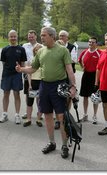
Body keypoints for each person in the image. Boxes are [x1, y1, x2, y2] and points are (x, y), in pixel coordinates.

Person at [15, 27, 77, 159]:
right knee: (48, 116)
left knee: (61, 118)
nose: (41, 37)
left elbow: (69, 69)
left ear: (52, 36)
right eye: (41, 35)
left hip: (58, 86)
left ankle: (65, 145)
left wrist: (73, 86)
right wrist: (21, 69)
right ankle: (52, 142)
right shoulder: (41, 51)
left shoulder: (62, 50)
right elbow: (33, 68)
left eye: (44, 35)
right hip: (44, 86)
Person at [0, 30, 27, 124]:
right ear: (8, 37)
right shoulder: (4, 49)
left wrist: (21, 71)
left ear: (17, 37)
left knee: (17, 94)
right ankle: (4, 114)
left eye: (14, 36)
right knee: (5, 94)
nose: (13, 38)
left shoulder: (21, 49)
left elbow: (23, 63)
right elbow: (3, 63)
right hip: (6, 75)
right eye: (11, 36)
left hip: (17, 75)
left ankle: (17, 115)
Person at [54, 30, 78, 129]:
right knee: (57, 97)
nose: (61, 38)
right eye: (60, 36)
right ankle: (57, 119)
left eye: (63, 36)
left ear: (67, 38)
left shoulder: (72, 47)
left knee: (68, 97)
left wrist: (63, 53)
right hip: (57, 75)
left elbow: (73, 59)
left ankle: (66, 116)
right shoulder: (55, 46)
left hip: (68, 75)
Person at [78, 37, 101, 124]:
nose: (91, 43)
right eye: (89, 42)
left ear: (96, 44)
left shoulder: (99, 53)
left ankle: (95, 116)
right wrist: (82, 67)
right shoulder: (85, 52)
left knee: (95, 97)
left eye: (93, 42)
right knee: (85, 96)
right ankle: (85, 114)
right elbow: (79, 60)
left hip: (95, 76)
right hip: (86, 75)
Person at [22, 30, 42, 121]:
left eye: (32, 36)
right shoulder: (24, 46)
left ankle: (39, 113)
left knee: (39, 96)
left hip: (38, 74)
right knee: (28, 93)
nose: (30, 38)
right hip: (28, 71)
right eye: (29, 36)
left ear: (36, 36)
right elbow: (22, 59)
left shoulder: (41, 46)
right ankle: (28, 112)